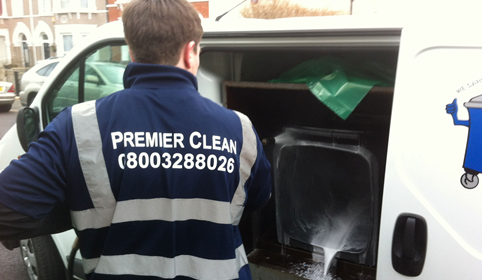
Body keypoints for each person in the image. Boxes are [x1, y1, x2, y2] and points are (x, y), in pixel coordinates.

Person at [0, 0, 272, 279]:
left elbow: (6, 213)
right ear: (191, 52)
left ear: (132, 52)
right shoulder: (240, 129)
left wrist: (78, 204)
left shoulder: (78, 125)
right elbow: (259, 199)